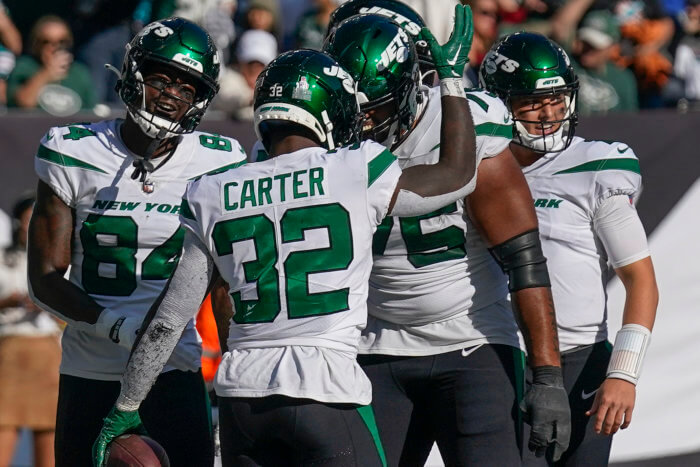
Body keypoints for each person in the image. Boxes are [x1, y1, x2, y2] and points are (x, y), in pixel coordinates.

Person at [92, 6, 480, 465]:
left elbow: (169, 318)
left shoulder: (212, 188)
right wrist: (453, 82)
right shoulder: (357, 168)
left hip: (243, 400)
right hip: (326, 390)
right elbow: (458, 175)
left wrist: (126, 407)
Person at [323, 10, 570, 467]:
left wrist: (548, 376)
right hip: (372, 346)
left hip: (470, 340)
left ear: (412, 86)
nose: (364, 122)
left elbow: (524, 258)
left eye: (376, 108)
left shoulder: (468, 124)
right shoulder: (320, 133)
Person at [27, 17, 247, 467]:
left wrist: (238, 375)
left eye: (187, 87)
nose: (171, 93)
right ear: (133, 73)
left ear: (200, 100)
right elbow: (45, 279)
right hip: (92, 368)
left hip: (175, 369)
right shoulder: (75, 151)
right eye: (162, 77)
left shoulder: (220, 162)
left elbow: (224, 288)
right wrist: (121, 328)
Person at [480, 31, 659, 466]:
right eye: (532, 102)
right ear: (501, 104)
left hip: (581, 357)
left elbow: (641, 281)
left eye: (557, 98)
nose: (549, 113)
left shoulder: (594, 165)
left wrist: (623, 372)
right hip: (501, 359)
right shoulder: (477, 165)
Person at [0, 193, 61, 467]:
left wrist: (49, 304)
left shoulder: (55, 263)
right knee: (4, 425)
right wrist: (11, 301)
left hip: (47, 353)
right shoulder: (4, 259)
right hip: (10, 351)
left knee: (49, 430)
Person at [7, 15, 95, 115]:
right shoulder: (24, 67)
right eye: (46, 42)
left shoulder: (80, 73)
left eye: (62, 41)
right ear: (35, 44)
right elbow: (23, 104)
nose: (55, 47)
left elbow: (91, 114)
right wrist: (46, 74)